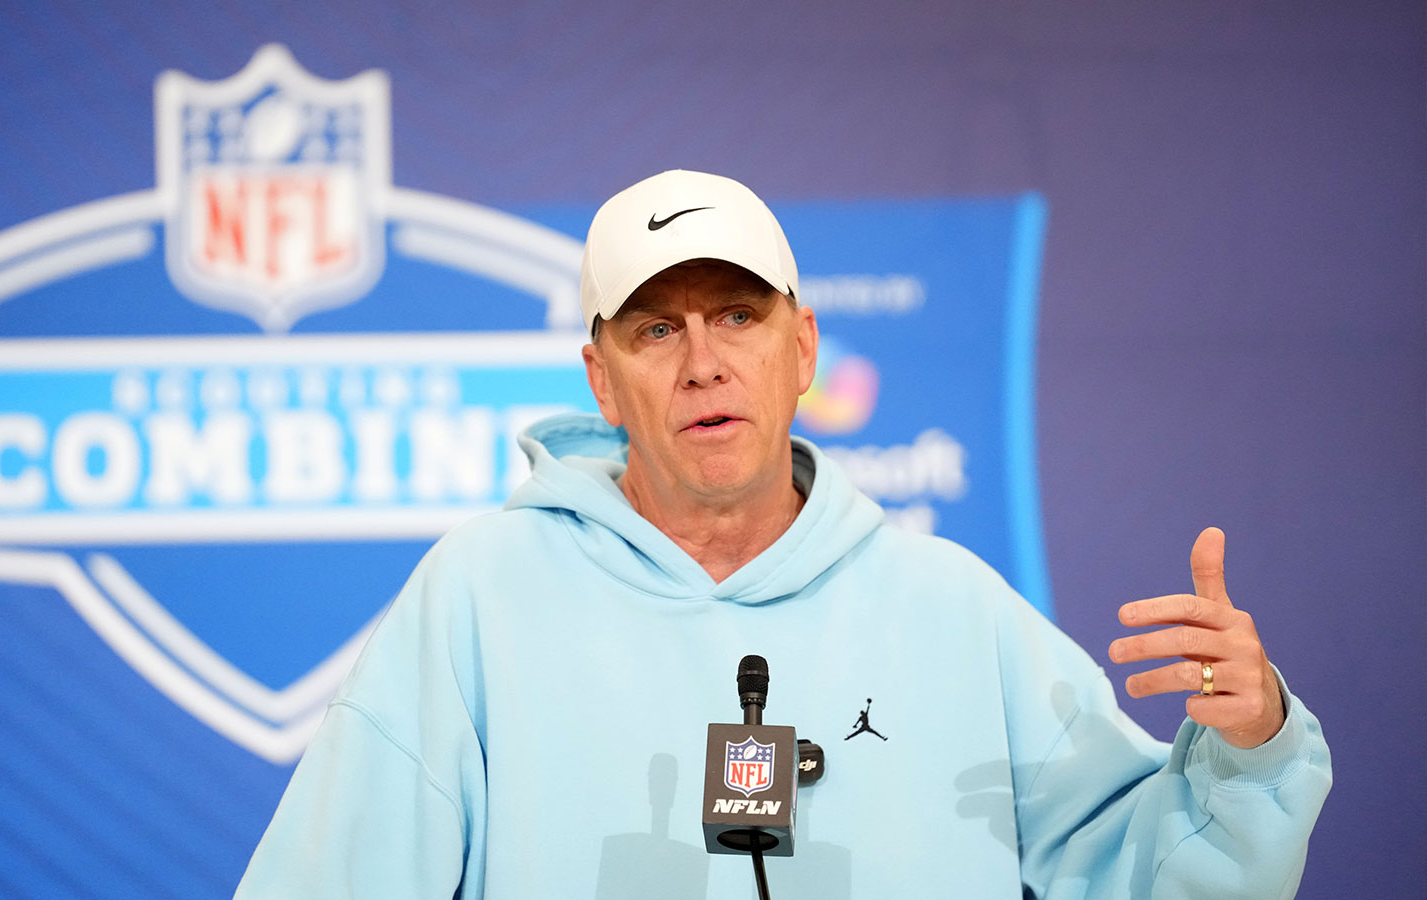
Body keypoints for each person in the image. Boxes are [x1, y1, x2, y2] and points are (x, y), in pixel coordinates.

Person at [235, 170, 1330, 899]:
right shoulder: (478, 596)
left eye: (739, 317)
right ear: (599, 381)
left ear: (802, 349)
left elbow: (1145, 873)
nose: (703, 360)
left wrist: (1250, 748)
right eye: (656, 328)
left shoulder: (948, 605)